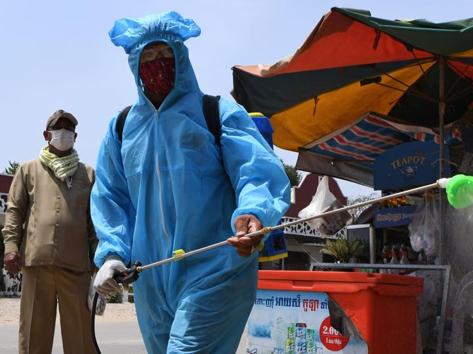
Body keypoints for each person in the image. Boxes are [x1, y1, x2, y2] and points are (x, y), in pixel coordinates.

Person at [91, 12, 291, 353]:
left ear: (182, 58)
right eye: (148, 57)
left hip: (216, 268)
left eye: (165, 55)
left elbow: (255, 171)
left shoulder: (216, 113)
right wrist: (112, 254)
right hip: (151, 278)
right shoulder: (121, 128)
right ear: (134, 65)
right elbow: (111, 196)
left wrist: (254, 213)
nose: (157, 64)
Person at [2, 110, 98, 354]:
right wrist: (11, 248)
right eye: (59, 129)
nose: (63, 133)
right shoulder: (27, 170)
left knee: (81, 341)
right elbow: (14, 212)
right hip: (37, 266)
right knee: (33, 338)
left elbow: (95, 222)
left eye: (69, 130)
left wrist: (100, 260)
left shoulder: (87, 174)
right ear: (47, 135)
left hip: (76, 269)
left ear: (75, 136)